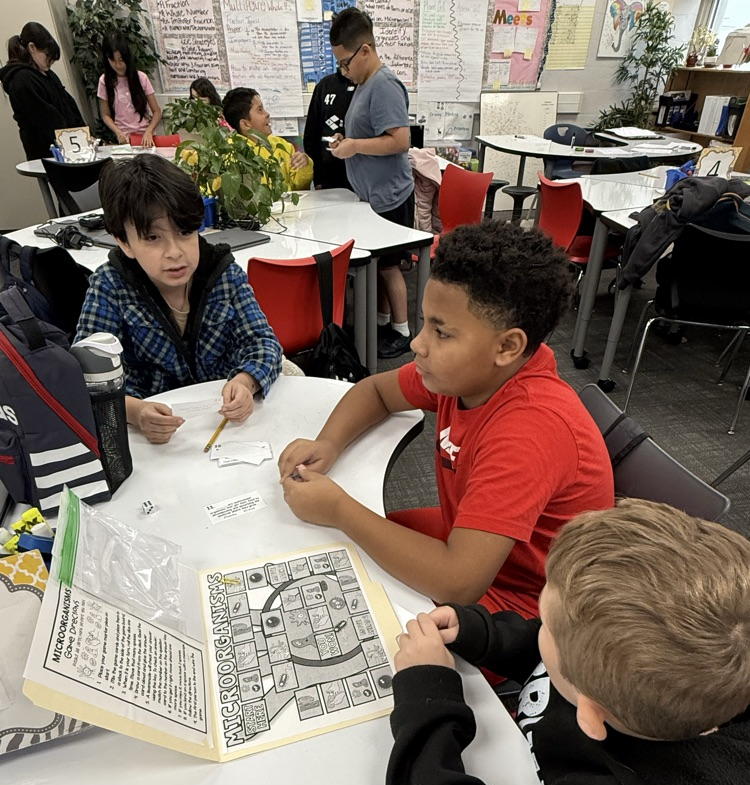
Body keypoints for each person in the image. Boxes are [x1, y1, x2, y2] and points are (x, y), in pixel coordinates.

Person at [386, 498, 750, 785]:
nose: (540, 627)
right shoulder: (675, 675)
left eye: (547, 626)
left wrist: (428, 696)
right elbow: (560, 654)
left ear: (592, 715)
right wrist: (481, 634)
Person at [278, 221, 613, 630]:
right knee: (345, 553)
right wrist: (328, 442)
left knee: (366, 623)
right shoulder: (471, 373)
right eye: (424, 322)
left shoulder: (528, 430)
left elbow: (459, 583)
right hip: (478, 547)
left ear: (508, 346)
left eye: (441, 332)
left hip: (533, 607)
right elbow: (377, 392)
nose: (417, 344)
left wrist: (339, 509)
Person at [75, 155, 282, 445]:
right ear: (124, 242)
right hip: (152, 439)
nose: (175, 252)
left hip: (226, 426)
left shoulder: (222, 273)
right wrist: (136, 412)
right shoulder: (111, 286)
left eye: (185, 232)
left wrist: (245, 381)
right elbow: (88, 379)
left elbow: (262, 341)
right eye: (152, 237)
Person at [329, 8, 415, 359]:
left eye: (345, 63)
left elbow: (400, 140)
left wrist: (355, 146)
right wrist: (344, 138)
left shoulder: (384, 85)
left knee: (391, 266)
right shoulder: (363, 84)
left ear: (365, 50)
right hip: (371, 196)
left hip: (390, 195)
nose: (343, 71)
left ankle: (403, 329)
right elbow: (369, 132)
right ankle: (383, 321)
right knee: (380, 264)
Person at [0, 22, 85, 160]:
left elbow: (69, 104)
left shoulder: (47, 74)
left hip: (71, 147)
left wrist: (84, 135)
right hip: (50, 154)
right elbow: (48, 120)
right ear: (32, 47)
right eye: (47, 55)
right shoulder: (22, 80)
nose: (51, 61)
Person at [222, 87, 313, 192]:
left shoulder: (281, 145)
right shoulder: (231, 154)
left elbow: (300, 188)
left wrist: (304, 165)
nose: (267, 114)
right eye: (260, 110)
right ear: (245, 124)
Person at [98, 31, 162, 147]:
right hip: (125, 140)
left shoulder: (141, 78)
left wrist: (149, 131)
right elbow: (106, 115)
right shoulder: (104, 81)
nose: (118, 65)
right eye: (113, 60)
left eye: (121, 60)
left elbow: (157, 112)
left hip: (146, 139)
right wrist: (118, 132)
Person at [303, 70, 355, 190]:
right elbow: (311, 134)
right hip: (329, 176)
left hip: (363, 174)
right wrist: (318, 179)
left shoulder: (368, 86)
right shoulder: (325, 85)